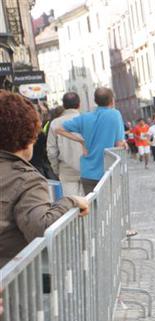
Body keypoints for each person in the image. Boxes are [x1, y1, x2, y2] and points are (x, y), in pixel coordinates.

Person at [0, 92, 90, 266]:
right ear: (28, 136)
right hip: (11, 277)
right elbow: (42, 228)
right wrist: (71, 201)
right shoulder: (26, 180)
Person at [55, 87, 126, 194]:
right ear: (112, 100)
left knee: (92, 203)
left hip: (88, 172)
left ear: (95, 101)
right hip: (108, 171)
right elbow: (119, 144)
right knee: (109, 203)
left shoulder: (85, 117)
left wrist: (80, 141)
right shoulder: (115, 115)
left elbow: (58, 129)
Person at [46, 91, 83, 197]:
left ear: (64, 106)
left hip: (66, 169)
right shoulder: (87, 120)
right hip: (87, 168)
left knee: (71, 203)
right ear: (79, 104)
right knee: (88, 202)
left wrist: (56, 169)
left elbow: (51, 151)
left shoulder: (55, 123)